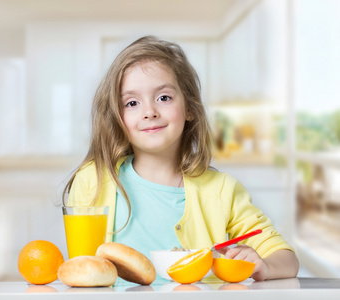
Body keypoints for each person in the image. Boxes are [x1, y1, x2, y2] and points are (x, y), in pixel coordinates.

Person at [64, 35, 299, 281]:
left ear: (189, 108)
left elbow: (286, 259)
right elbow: (80, 271)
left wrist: (266, 266)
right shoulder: (94, 180)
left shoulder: (221, 191)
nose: (149, 112)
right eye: (132, 103)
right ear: (116, 117)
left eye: (163, 98)